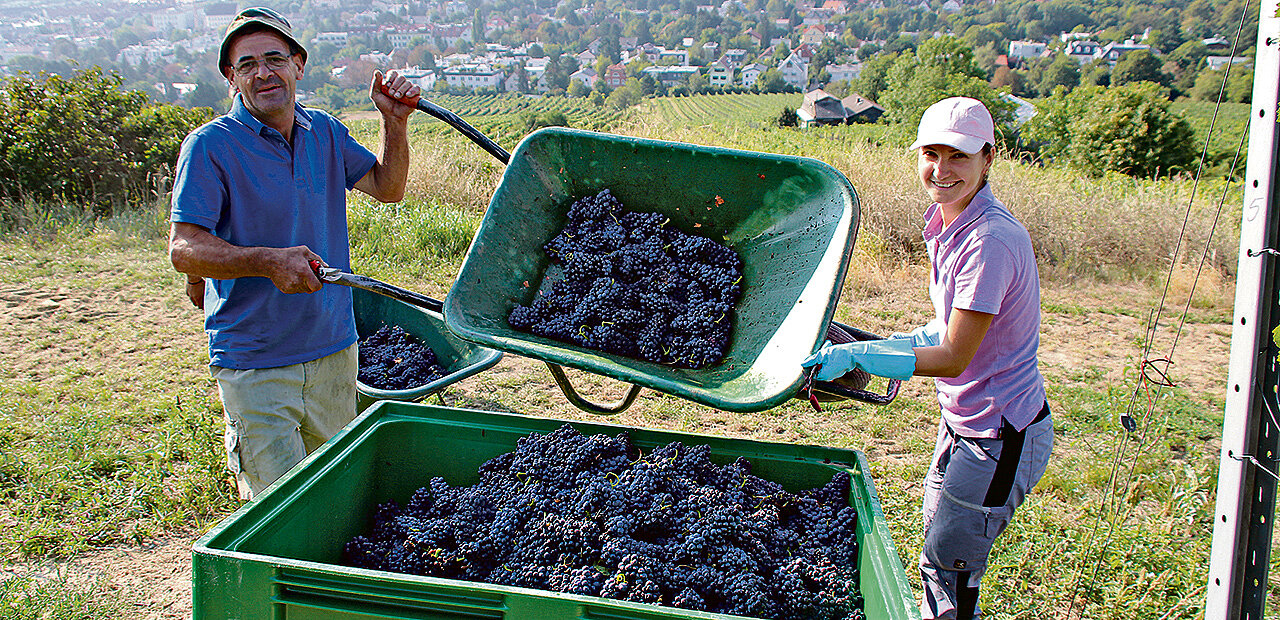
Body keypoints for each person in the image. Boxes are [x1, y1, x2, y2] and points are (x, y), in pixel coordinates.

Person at [802, 97, 1053, 620]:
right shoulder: (949, 223)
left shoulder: (989, 241)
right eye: (931, 154)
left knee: (951, 568)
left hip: (998, 434)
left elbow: (954, 356)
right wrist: (881, 344)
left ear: (989, 158)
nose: (941, 170)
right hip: (962, 422)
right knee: (936, 549)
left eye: (958, 157)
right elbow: (946, 327)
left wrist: (863, 356)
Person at [168, 7, 420, 500]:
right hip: (257, 360)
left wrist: (394, 123)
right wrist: (265, 261)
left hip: (333, 347)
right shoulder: (210, 147)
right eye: (246, 65)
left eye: (274, 58)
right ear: (230, 79)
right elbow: (184, 249)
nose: (263, 72)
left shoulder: (323, 131)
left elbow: (387, 188)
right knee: (279, 506)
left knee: (337, 492)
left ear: (298, 65)